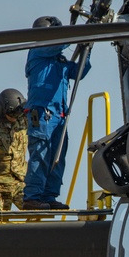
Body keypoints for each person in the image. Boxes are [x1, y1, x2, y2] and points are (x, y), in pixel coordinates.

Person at [22, 15, 92, 210]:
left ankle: (48, 196)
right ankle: (32, 197)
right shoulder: (38, 51)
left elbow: (79, 72)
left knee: (57, 157)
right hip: (42, 114)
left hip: (59, 117)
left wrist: (88, 48)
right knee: (41, 155)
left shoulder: (58, 60)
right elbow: (57, 45)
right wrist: (77, 34)